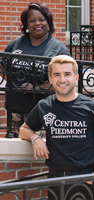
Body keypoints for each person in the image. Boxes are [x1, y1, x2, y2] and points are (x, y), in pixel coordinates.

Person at [19, 55, 94, 200]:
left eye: (67, 74)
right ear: (50, 79)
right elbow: (24, 130)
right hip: (56, 181)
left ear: (76, 77)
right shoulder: (44, 106)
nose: (62, 79)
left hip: (86, 180)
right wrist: (35, 138)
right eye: (57, 75)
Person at [2, 2, 70, 137]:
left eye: (41, 19)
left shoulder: (57, 49)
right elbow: (2, 67)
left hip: (43, 113)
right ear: (26, 25)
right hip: (15, 110)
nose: (37, 23)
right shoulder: (16, 44)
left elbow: (65, 82)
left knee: (40, 151)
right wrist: (13, 83)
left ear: (48, 21)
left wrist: (36, 88)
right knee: (15, 151)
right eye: (32, 20)